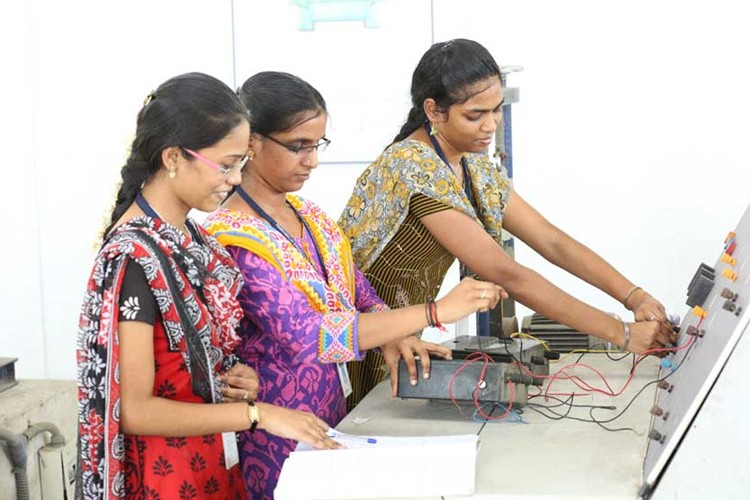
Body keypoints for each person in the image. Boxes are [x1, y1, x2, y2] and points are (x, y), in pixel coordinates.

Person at [204, 70, 503, 498]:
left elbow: (357, 290)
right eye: (297, 147)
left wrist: (392, 333)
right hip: (276, 437)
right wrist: (434, 312)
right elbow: (311, 337)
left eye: (317, 145)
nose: (312, 161)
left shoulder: (309, 215)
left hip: (333, 417)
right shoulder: (234, 239)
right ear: (251, 142)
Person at [338, 38, 676, 407]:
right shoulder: (412, 167)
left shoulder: (472, 164)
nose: (491, 125)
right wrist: (622, 334)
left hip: (403, 331)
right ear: (433, 111)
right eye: (475, 115)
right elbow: (505, 273)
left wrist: (633, 295)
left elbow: (551, 241)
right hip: (364, 335)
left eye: (496, 110)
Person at [75, 72, 341, 500]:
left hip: (214, 460)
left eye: (239, 163)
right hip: (166, 477)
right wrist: (257, 414)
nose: (235, 178)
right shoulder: (132, 257)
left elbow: (193, 369)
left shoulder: (192, 239)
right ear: (174, 158)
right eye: (226, 164)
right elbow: (137, 411)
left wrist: (235, 380)